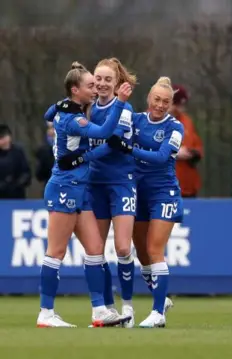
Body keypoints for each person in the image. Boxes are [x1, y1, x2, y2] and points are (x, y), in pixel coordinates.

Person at [38, 62, 133, 328]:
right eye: (90, 85)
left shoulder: (67, 109)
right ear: (75, 90)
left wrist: (61, 104)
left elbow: (49, 112)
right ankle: (46, 313)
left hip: (81, 188)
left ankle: (100, 311)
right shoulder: (74, 118)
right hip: (64, 187)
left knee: (95, 250)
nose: (96, 89)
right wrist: (120, 103)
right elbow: (103, 133)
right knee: (55, 252)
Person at [105, 76, 183, 328]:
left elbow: (161, 158)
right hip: (137, 193)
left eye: (166, 102)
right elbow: (115, 136)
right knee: (141, 253)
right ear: (149, 99)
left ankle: (157, 312)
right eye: (157, 100)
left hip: (164, 193)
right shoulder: (136, 120)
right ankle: (163, 299)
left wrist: (128, 149)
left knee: (154, 249)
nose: (161, 105)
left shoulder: (175, 127)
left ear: (171, 104)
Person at [83, 58, 138, 326]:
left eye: (108, 80)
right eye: (98, 79)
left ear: (116, 84)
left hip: (120, 183)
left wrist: (84, 156)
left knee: (123, 247)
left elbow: (114, 143)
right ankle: (106, 308)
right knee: (96, 250)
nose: (102, 84)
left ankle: (128, 306)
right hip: (94, 185)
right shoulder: (87, 109)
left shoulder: (124, 109)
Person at [170, 85, 203, 198]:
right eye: (177, 105)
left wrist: (191, 153)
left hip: (187, 188)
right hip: (163, 189)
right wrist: (174, 153)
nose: (181, 109)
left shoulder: (186, 121)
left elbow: (198, 148)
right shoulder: (150, 120)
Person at [0, 125, 32, 199]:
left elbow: (26, 173)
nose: (2, 141)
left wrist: (17, 184)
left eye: (3, 138)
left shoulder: (18, 152)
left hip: (16, 195)